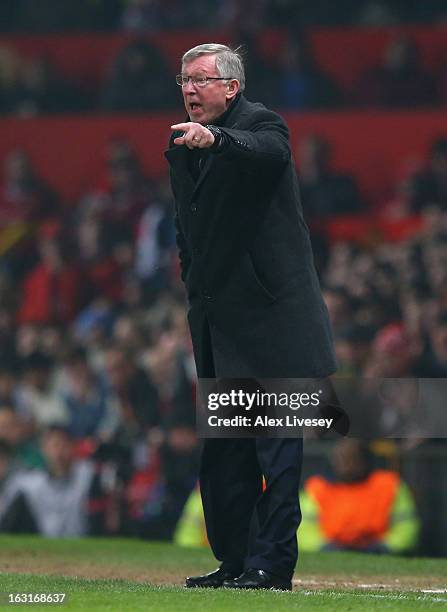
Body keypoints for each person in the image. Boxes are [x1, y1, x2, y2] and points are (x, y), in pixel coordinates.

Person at [165, 44, 336, 591]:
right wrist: (190, 276)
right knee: (226, 456)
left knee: (278, 452)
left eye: (199, 79)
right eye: (183, 80)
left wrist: (218, 139)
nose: (188, 89)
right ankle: (235, 560)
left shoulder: (261, 123)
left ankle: (273, 565)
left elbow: (268, 152)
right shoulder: (182, 145)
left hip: (275, 324)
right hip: (220, 325)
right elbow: (187, 225)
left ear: (231, 87)